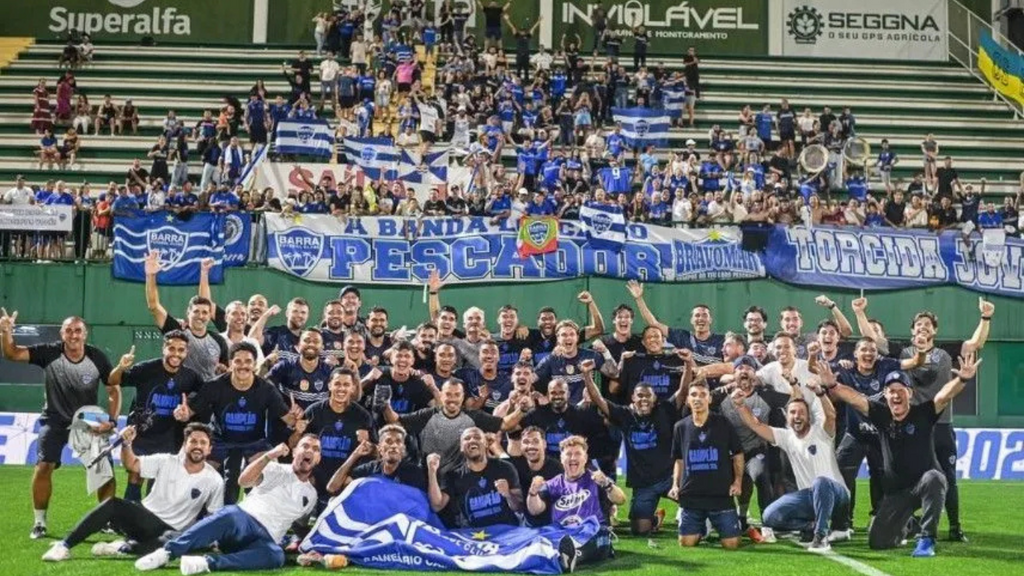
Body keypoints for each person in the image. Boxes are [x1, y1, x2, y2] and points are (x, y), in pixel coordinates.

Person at [827, 352, 980, 556]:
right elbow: (856, 399)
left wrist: (963, 379)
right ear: (885, 394)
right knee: (878, 542)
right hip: (897, 493)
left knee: (936, 478)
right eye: (891, 391)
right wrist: (832, 386)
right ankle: (908, 525)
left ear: (910, 393)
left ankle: (927, 539)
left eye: (901, 390)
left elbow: (944, 395)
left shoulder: (923, 413)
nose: (896, 395)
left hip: (924, 484)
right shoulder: (881, 415)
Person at [0, 311, 119, 539]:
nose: (73, 334)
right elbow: (12, 353)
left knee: (104, 470)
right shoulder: (49, 352)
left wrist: (112, 420)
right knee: (44, 466)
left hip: (87, 421)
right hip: (54, 419)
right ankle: (39, 523)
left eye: (78, 330)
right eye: (69, 330)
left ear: (85, 334)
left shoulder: (97, 357)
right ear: (62, 333)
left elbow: (113, 389)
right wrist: (6, 332)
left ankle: (106, 519)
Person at [134, 435, 322, 573]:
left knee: (276, 556)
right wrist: (269, 456)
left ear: (318, 459)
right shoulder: (274, 468)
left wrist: (310, 548)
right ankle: (167, 553)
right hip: (244, 520)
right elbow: (243, 482)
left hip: (265, 540)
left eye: (315, 449)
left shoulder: (311, 495)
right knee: (231, 513)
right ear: (295, 451)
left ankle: (206, 563)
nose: (309, 451)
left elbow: (299, 526)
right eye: (305, 446)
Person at [42, 423, 224, 561]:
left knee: (176, 543)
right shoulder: (166, 461)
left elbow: (213, 516)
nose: (197, 446)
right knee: (113, 504)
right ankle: (64, 545)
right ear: (185, 444)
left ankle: (122, 547)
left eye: (203, 442)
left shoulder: (214, 479)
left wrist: (209, 540)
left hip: (172, 531)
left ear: (209, 449)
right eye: (193, 441)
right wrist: (127, 444)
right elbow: (132, 464)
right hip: (144, 518)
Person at [900, 303, 992, 542]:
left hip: (941, 425)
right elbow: (872, 340)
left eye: (927, 325)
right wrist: (859, 313)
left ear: (935, 331)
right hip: (913, 427)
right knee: (908, 476)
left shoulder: (946, 352)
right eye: (919, 325)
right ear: (912, 331)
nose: (923, 328)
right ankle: (910, 523)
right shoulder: (902, 353)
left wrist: (985, 316)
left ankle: (954, 527)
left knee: (949, 476)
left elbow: (976, 344)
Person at [731, 364, 847, 552]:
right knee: (770, 516)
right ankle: (810, 527)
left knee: (821, 482)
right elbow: (756, 425)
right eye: (792, 412)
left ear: (809, 416)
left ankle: (821, 536)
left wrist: (820, 393)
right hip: (808, 496)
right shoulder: (787, 437)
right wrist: (740, 406)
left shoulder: (822, 432)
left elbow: (831, 415)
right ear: (787, 417)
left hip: (836, 493)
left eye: (801, 412)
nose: (797, 416)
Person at [173, 342, 302, 504]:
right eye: (238, 361)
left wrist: (295, 417)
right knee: (195, 469)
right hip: (220, 441)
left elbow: (288, 419)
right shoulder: (214, 386)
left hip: (254, 442)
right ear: (230, 364)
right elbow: (187, 413)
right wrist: (182, 414)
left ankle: (262, 513)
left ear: (255, 365)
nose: (243, 366)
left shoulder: (266, 389)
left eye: (248, 361)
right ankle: (194, 512)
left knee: (272, 471)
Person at [582, 359, 682, 537]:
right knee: (639, 530)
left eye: (648, 396)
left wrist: (689, 365)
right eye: (640, 396)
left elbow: (683, 391)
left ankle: (701, 516)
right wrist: (587, 376)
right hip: (644, 483)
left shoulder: (664, 410)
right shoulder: (625, 415)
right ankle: (655, 519)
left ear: (654, 398)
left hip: (670, 477)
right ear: (633, 398)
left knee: (696, 500)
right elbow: (598, 400)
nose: (644, 399)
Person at [117, 330, 204, 502]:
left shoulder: (191, 377)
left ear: (186, 352)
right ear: (164, 348)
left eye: (181, 350)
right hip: (142, 432)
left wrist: (189, 411)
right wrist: (120, 367)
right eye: (172, 348)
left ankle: (150, 518)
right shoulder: (146, 369)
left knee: (160, 479)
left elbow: (205, 398)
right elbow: (114, 381)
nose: (176, 354)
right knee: (136, 474)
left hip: (170, 436)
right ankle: (127, 517)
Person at [382, 378, 524, 474]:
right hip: (430, 477)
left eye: (457, 395)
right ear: (441, 395)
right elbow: (397, 423)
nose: (452, 399)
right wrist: (385, 405)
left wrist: (522, 409)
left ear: (463, 397)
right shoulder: (428, 415)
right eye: (448, 394)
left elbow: (505, 424)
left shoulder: (474, 416)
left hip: (462, 479)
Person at [669, 380, 743, 549]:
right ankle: (703, 527)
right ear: (688, 400)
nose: (698, 399)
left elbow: (738, 454)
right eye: (694, 395)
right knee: (686, 543)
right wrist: (675, 485)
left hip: (720, 496)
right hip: (691, 497)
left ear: (709, 399)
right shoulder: (680, 427)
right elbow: (679, 460)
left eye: (703, 395)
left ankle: (715, 523)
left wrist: (737, 482)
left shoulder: (723, 424)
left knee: (732, 544)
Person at [527, 435, 623, 565]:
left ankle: (570, 557)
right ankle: (563, 556)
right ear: (561, 458)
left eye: (578, 453)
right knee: (540, 537)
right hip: (562, 534)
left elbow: (620, 499)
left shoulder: (596, 479)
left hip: (593, 533)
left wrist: (607, 484)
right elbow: (535, 510)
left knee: (596, 537)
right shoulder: (552, 484)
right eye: (568, 454)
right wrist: (533, 493)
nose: (573, 458)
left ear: (585, 458)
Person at [295, 367, 374, 509]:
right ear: (329, 385)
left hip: (344, 476)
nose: (341, 389)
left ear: (353, 388)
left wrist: (368, 445)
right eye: (337, 383)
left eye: (346, 385)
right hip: (315, 475)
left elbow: (376, 453)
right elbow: (293, 446)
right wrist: (297, 432)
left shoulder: (363, 416)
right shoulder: (314, 411)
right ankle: (301, 518)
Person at [144, 252, 228, 381]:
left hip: (207, 398)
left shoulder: (218, 341)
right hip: (178, 396)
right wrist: (151, 275)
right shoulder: (177, 332)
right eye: (196, 311)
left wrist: (204, 273)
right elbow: (154, 306)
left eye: (205, 312)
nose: (200, 316)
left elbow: (226, 371)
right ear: (188, 313)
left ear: (210, 315)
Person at [427, 427, 523, 528]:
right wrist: (432, 472)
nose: (472, 440)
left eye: (477, 437)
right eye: (467, 438)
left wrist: (508, 494)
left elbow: (519, 507)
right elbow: (437, 506)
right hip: (475, 538)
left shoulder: (505, 467)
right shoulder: (453, 475)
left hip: (507, 532)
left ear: (486, 443)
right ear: (461, 447)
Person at [326, 424, 427, 493]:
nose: (394, 445)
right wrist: (355, 455)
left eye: (398, 441)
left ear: (403, 449)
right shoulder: (369, 469)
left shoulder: (414, 473)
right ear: (380, 448)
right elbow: (332, 487)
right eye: (388, 441)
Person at [512, 426, 563, 526]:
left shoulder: (557, 468)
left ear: (544, 444)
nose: (531, 446)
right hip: (527, 525)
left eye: (535, 441)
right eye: (526, 442)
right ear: (521, 446)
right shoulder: (516, 467)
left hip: (554, 524)